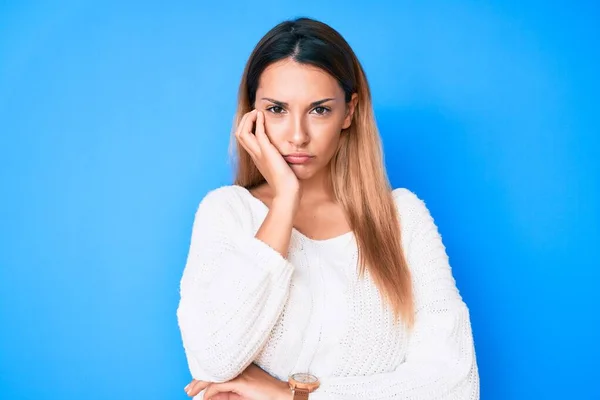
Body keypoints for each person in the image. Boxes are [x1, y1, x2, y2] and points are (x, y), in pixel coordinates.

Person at [176, 17, 479, 400]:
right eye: (277, 110)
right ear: (252, 113)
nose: (297, 135)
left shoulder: (403, 219)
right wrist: (285, 199)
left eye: (319, 110)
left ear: (349, 112)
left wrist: (290, 396)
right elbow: (215, 360)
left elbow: (453, 384)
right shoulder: (228, 212)